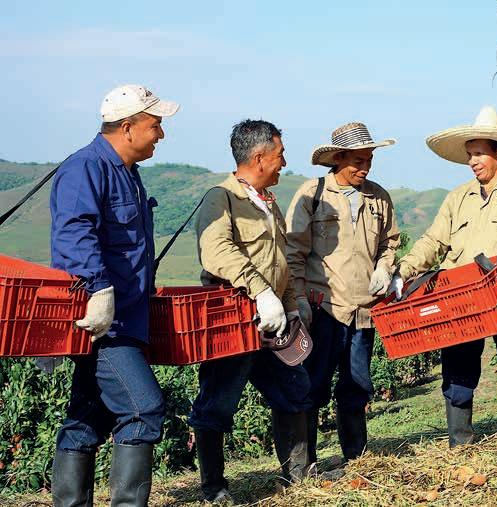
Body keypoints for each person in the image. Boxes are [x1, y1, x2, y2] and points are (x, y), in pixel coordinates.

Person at [391, 106, 497, 454]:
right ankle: (460, 444)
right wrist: (403, 271)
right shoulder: (458, 198)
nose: (472, 161)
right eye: (469, 155)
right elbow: (432, 241)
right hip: (462, 295)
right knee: (457, 367)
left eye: (479, 154)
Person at [49, 84, 178, 506]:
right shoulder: (85, 167)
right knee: (143, 408)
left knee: (89, 416)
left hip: (127, 316)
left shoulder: (127, 173)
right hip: (104, 320)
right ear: (128, 126)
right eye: (155, 125)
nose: (160, 134)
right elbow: (74, 231)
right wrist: (97, 287)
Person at [188, 120, 312, 502]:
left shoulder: (267, 203)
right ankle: (214, 487)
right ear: (259, 158)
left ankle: (299, 475)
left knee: (295, 390)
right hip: (233, 320)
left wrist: (290, 305)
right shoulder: (221, 198)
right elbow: (217, 251)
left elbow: (281, 262)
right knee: (218, 401)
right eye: (279, 155)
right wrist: (260, 291)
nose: (284, 162)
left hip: (273, 322)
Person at [285, 122, 400, 468]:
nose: (364, 167)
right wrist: (300, 298)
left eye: (368, 160)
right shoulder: (314, 194)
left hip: (364, 308)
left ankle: (356, 457)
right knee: (313, 385)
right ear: (337, 159)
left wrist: (384, 266)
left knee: (357, 384)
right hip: (324, 308)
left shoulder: (378, 197)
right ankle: (305, 465)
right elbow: (293, 250)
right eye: (357, 161)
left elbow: (389, 242)